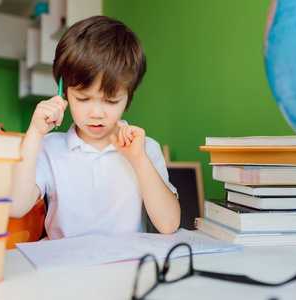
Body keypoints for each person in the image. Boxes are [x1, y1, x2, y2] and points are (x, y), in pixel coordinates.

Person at [10, 15, 181, 239]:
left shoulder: (145, 149)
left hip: (124, 267)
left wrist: (139, 159)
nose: (97, 113)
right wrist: (35, 133)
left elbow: (168, 224)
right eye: (83, 98)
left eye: (111, 101)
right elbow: (16, 207)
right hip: (66, 267)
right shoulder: (50, 148)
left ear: (128, 97)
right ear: (64, 93)